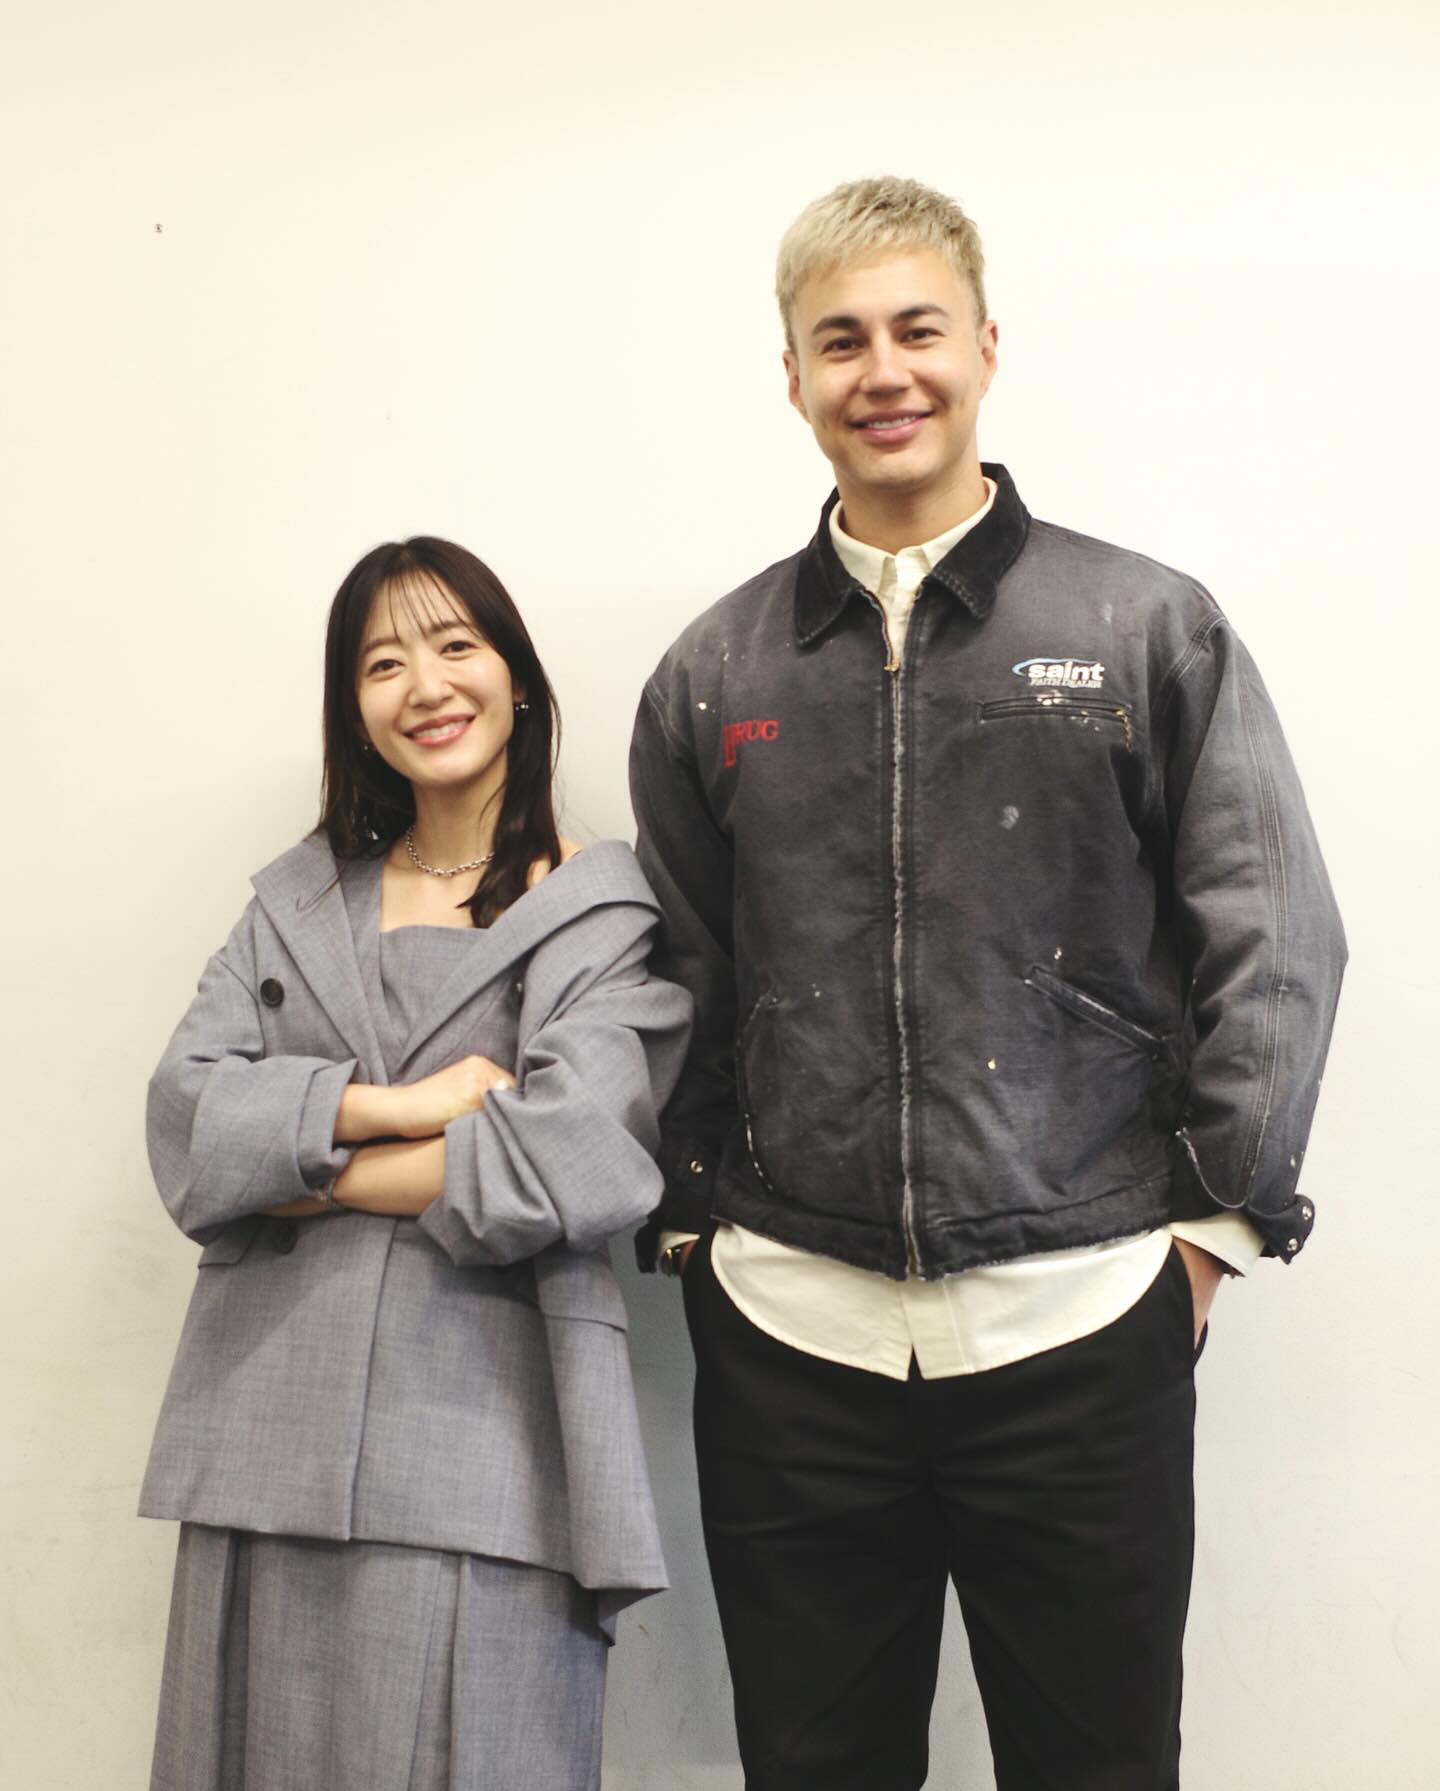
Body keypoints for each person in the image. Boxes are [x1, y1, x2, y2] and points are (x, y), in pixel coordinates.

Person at [629, 176, 1346, 1791]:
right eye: (840, 341)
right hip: (793, 1335)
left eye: (917, 329)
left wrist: (1210, 1232)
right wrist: (696, 1223)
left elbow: (1276, 938)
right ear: (793, 376)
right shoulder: (717, 672)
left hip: (1081, 1316)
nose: (883, 371)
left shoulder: (1144, 625)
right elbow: (682, 967)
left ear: (985, 347)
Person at [141, 536, 690, 1791]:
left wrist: (303, 1167)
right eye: (383, 663)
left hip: (493, 1438)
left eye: (456, 646)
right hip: (262, 1427)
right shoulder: (294, 906)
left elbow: (571, 1161)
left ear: (519, 678)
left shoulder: (597, 910)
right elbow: (185, 1126)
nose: (426, 686)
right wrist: (406, 1107)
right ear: (353, 708)